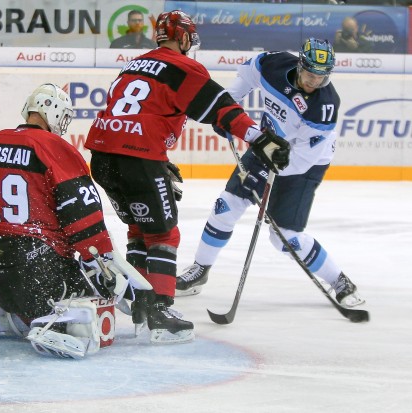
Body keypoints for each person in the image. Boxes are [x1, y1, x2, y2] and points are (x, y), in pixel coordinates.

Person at [85, 10, 290, 344]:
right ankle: (161, 312)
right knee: (164, 233)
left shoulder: (132, 65)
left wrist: (154, 156)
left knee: (140, 227)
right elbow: (223, 108)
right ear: (182, 37)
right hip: (137, 156)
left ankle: (139, 303)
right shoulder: (184, 67)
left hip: (104, 156)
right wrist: (260, 138)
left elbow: (136, 111)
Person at [0, 83, 145, 359]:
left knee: (21, 287)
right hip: (38, 275)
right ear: (51, 112)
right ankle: (53, 323)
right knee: (95, 288)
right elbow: (82, 215)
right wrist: (102, 263)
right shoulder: (54, 146)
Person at [176, 38, 365, 308]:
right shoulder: (273, 64)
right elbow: (248, 73)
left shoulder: (325, 106)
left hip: (304, 165)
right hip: (265, 145)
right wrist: (229, 110)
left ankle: (338, 280)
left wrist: (268, 174)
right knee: (225, 206)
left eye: (321, 78)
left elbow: (301, 160)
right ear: (300, 66)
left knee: (284, 238)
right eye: (310, 75)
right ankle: (200, 269)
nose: (314, 83)